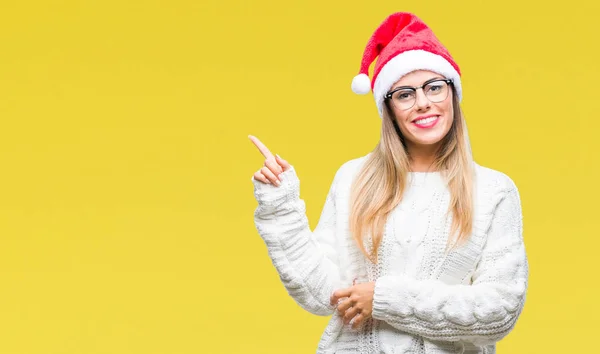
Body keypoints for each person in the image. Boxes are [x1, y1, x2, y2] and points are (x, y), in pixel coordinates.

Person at [248, 12, 528, 354]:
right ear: (388, 107)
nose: (423, 102)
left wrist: (383, 298)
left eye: (435, 87)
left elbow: (498, 311)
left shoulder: (493, 191)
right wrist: (281, 208)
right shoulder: (354, 179)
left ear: (453, 94)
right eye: (405, 94)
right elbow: (322, 295)